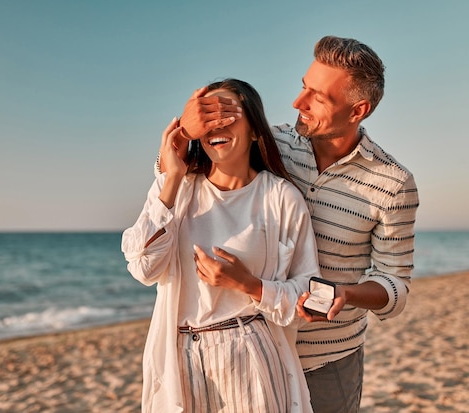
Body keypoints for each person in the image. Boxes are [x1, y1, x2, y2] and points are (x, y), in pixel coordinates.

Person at [170, 36, 420, 413]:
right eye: (304, 86)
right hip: (254, 353)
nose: (297, 103)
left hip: (326, 360)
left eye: (318, 97)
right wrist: (187, 131)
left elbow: (396, 284)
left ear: (358, 110)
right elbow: (181, 172)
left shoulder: (393, 183)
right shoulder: (273, 143)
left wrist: (347, 294)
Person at [122, 79, 320, 412]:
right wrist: (170, 175)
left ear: (256, 130)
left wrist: (249, 285)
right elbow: (143, 267)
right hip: (180, 361)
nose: (217, 123)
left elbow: (308, 291)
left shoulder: (280, 197)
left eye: (228, 113)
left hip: (250, 353)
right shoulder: (179, 191)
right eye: (207, 115)